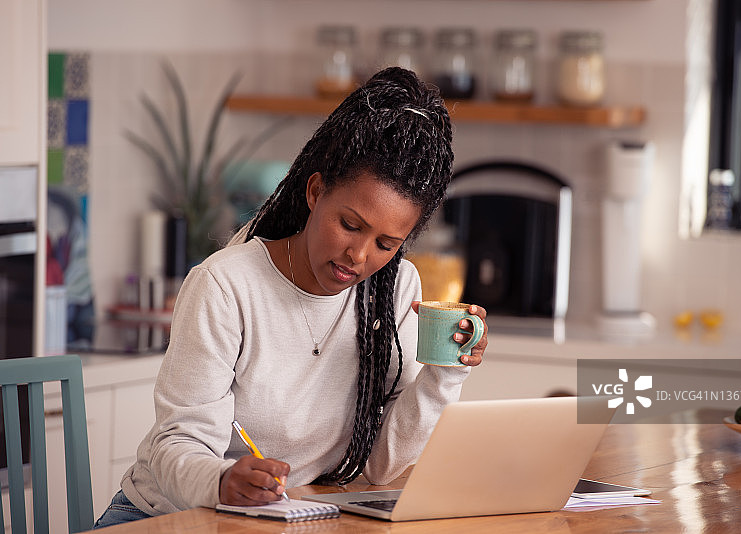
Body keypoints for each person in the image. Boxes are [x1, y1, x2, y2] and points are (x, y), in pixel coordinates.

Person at [93, 66, 488, 528]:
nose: (358, 255)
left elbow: (382, 468)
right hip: (164, 517)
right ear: (316, 191)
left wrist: (444, 373)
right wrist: (222, 480)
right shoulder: (226, 285)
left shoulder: (397, 289)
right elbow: (177, 445)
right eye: (350, 225)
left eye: (386, 244)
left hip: (290, 517)